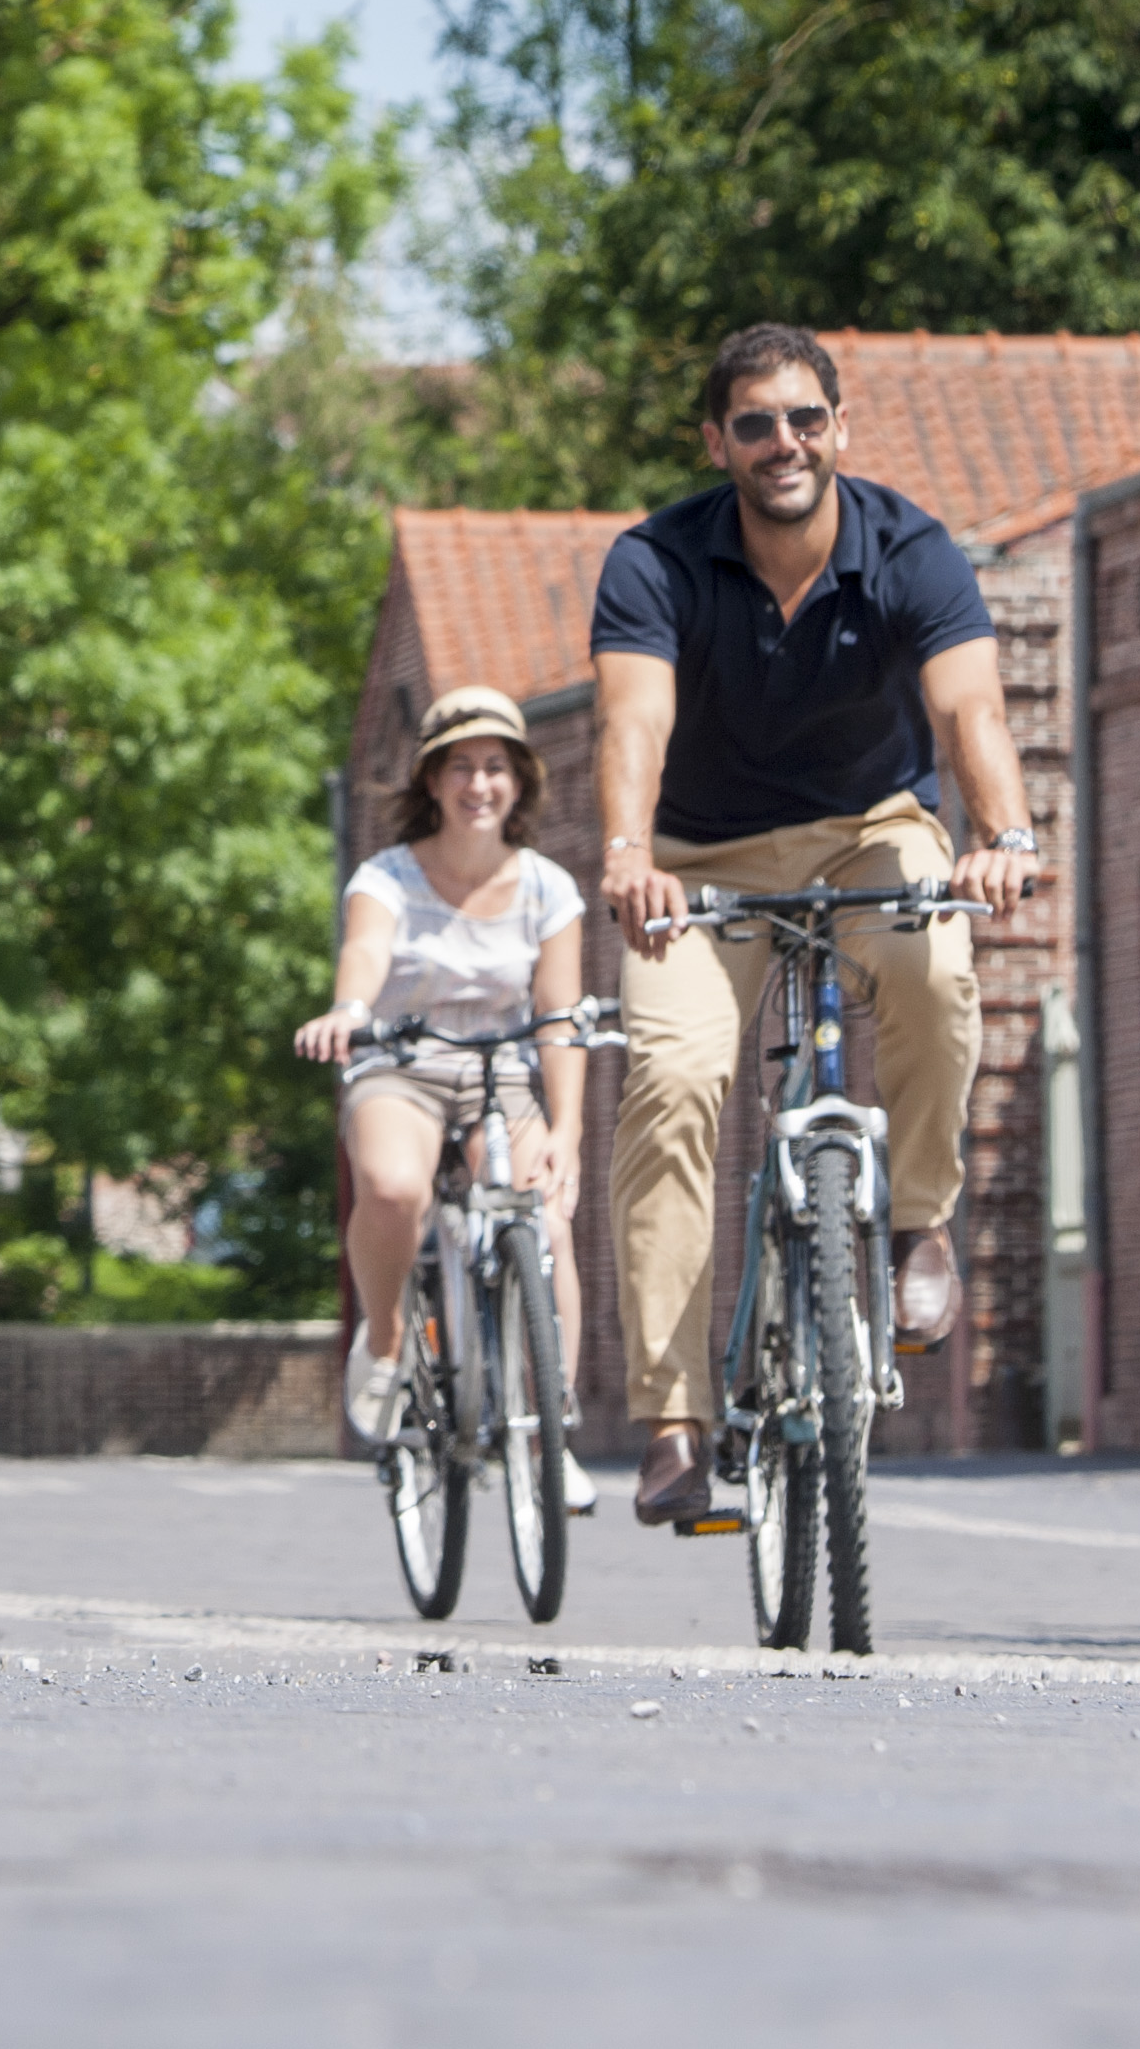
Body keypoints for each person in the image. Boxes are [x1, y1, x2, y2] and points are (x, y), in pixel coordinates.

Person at [591, 323, 1043, 1538]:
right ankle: (677, 1423)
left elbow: (971, 710)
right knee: (675, 1077)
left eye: (804, 419)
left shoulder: (912, 549)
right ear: (716, 442)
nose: (782, 443)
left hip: (870, 827)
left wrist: (1004, 836)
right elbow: (631, 723)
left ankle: (917, 1223)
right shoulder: (654, 561)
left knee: (937, 966)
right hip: (699, 859)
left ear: (839, 429)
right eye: (754, 424)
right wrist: (629, 856)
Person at [294, 686, 592, 1500]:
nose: (479, 784)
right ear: (431, 781)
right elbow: (364, 952)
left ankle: (549, 1427)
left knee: (547, 1217)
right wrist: (350, 1012)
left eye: (496, 767)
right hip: (401, 1060)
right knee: (393, 1188)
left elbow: (559, 1018)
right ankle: (385, 1338)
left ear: (521, 781)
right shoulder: (385, 876)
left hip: (499, 1071)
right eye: (461, 767)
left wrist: (564, 1129)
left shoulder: (548, 889)